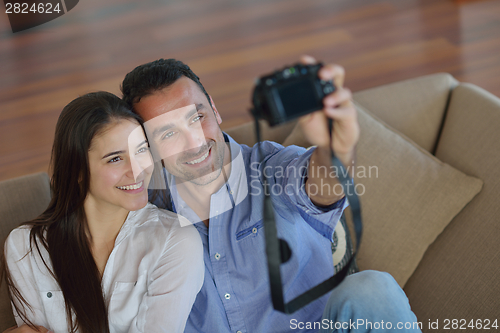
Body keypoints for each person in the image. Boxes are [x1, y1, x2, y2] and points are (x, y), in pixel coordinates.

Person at [121, 57, 422, 333]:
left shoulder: (273, 168)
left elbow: (322, 185)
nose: (194, 142)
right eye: (167, 133)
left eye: (196, 117)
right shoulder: (142, 215)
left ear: (214, 108)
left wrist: (337, 147)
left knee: (371, 288)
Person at [1, 92, 204, 333]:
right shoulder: (26, 247)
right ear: (77, 169)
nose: (137, 170)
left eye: (141, 150)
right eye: (115, 159)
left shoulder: (176, 241)